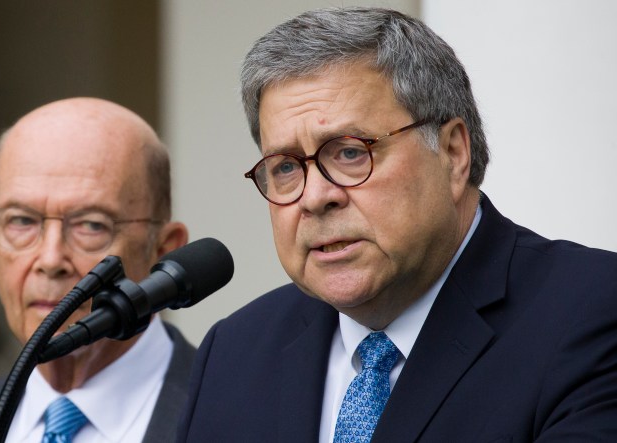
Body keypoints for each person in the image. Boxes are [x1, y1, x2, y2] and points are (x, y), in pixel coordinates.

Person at [177, 7, 617, 442]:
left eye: (350, 152)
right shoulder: (233, 355)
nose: (314, 197)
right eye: (286, 167)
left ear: (453, 153)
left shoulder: (592, 312)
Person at [0, 97, 192, 442]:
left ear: (164, 251)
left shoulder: (232, 417)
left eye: (91, 225)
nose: (50, 260)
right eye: (21, 221)